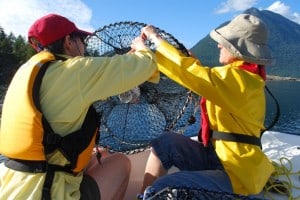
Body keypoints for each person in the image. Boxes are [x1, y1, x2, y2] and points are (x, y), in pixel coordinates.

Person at [0, 13, 159, 200]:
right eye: (81, 40)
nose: (84, 47)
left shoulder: (29, 71)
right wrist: (142, 47)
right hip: (49, 192)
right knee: (120, 163)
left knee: (102, 154)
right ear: (68, 41)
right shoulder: (74, 70)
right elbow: (146, 65)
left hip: (14, 186)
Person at [139, 14, 275, 197]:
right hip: (217, 156)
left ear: (236, 49)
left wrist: (155, 41)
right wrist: (185, 59)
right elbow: (202, 77)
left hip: (235, 174)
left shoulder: (241, 81)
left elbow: (193, 75)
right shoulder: (239, 77)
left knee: (164, 188)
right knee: (165, 143)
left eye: (224, 42)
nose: (219, 45)